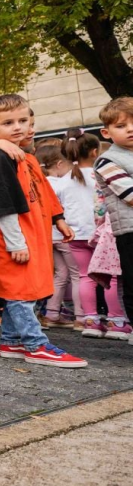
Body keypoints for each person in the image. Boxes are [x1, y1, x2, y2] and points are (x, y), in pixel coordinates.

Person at [0, 94, 85, 367]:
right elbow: (2, 202)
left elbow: (43, 191)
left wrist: (58, 218)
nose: (18, 127)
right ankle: (36, 344)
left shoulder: (25, 156)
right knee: (21, 292)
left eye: (23, 120)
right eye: (8, 123)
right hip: (11, 237)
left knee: (19, 290)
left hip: (29, 233)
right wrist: (15, 243)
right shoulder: (0, 156)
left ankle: (11, 341)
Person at [39, 139, 121, 337]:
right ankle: (116, 321)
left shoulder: (62, 181)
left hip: (73, 234)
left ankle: (88, 320)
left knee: (83, 276)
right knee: (111, 277)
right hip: (100, 234)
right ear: (94, 152)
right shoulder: (100, 174)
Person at [93, 97, 133, 341]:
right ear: (106, 133)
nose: (130, 129)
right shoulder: (108, 160)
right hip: (130, 230)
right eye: (121, 125)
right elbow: (130, 195)